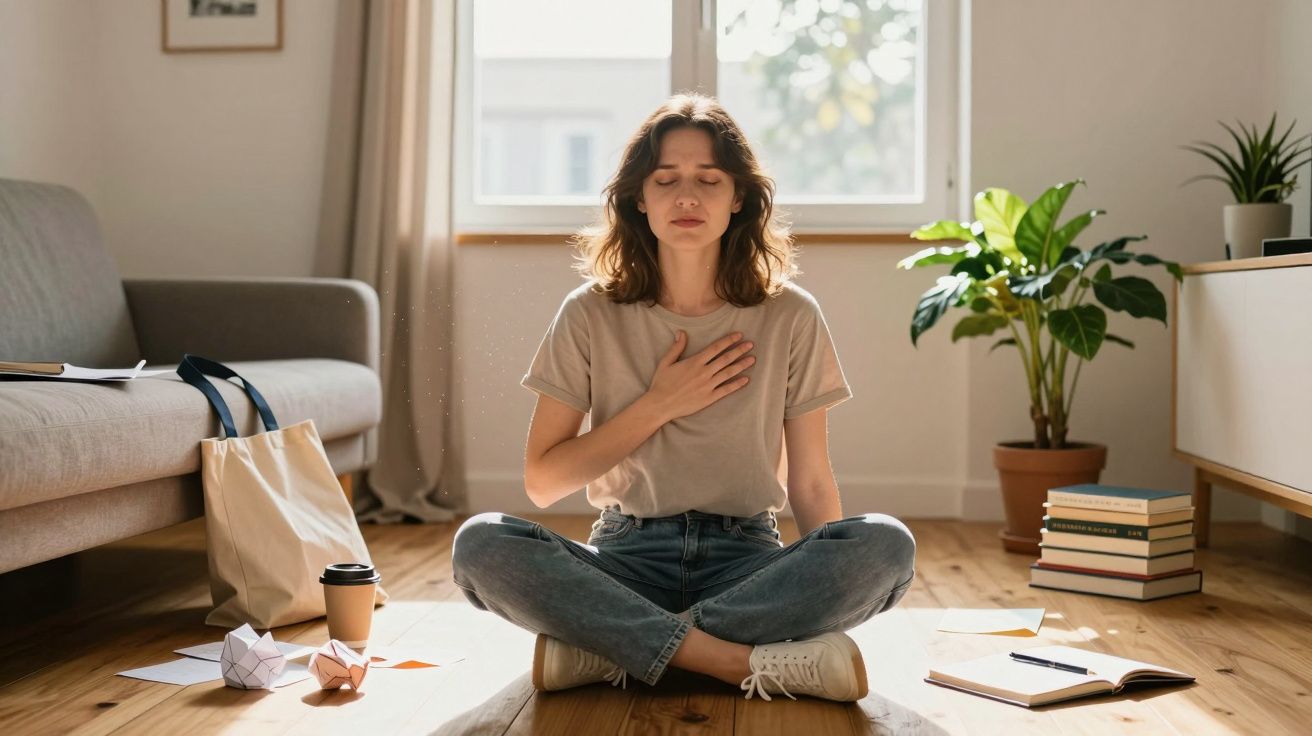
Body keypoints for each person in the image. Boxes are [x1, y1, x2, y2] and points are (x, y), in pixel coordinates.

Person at [451, 93, 915, 702]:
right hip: (624, 560)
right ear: (639, 199)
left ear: (739, 196)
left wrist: (820, 578)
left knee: (886, 545)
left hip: (747, 560)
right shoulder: (589, 312)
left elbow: (810, 479)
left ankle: (611, 649)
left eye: (709, 180)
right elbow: (542, 481)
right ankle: (730, 660)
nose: (687, 197)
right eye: (666, 180)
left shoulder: (791, 316)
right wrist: (658, 404)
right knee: (481, 544)